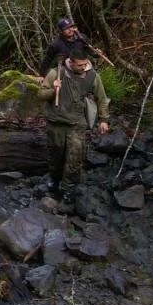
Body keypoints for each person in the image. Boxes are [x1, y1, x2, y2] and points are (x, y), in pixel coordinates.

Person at [38, 48, 110, 198]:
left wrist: (103, 120)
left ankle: (68, 187)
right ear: (70, 62)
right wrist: (54, 90)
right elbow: (41, 94)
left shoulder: (93, 76)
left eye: (85, 64)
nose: (83, 67)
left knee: (75, 157)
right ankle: (54, 179)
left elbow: (102, 99)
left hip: (77, 122)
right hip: (56, 122)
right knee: (55, 155)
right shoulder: (56, 73)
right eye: (79, 65)